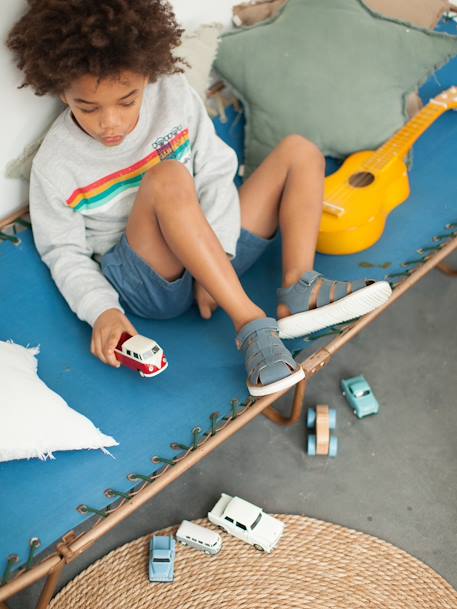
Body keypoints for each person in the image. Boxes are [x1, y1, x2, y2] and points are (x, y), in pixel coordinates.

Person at [7, 0, 391, 397]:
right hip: (151, 280)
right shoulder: (55, 163)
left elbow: (215, 171)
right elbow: (63, 252)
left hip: (211, 243)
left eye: (127, 101)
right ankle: (250, 324)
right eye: (88, 108)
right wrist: (103, 311)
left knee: (300, 151)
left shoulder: (172, 93)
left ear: (147, 73)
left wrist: (221, 255)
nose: (112, 123)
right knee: (169, 176)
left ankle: (298, 287)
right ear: (60, 91)